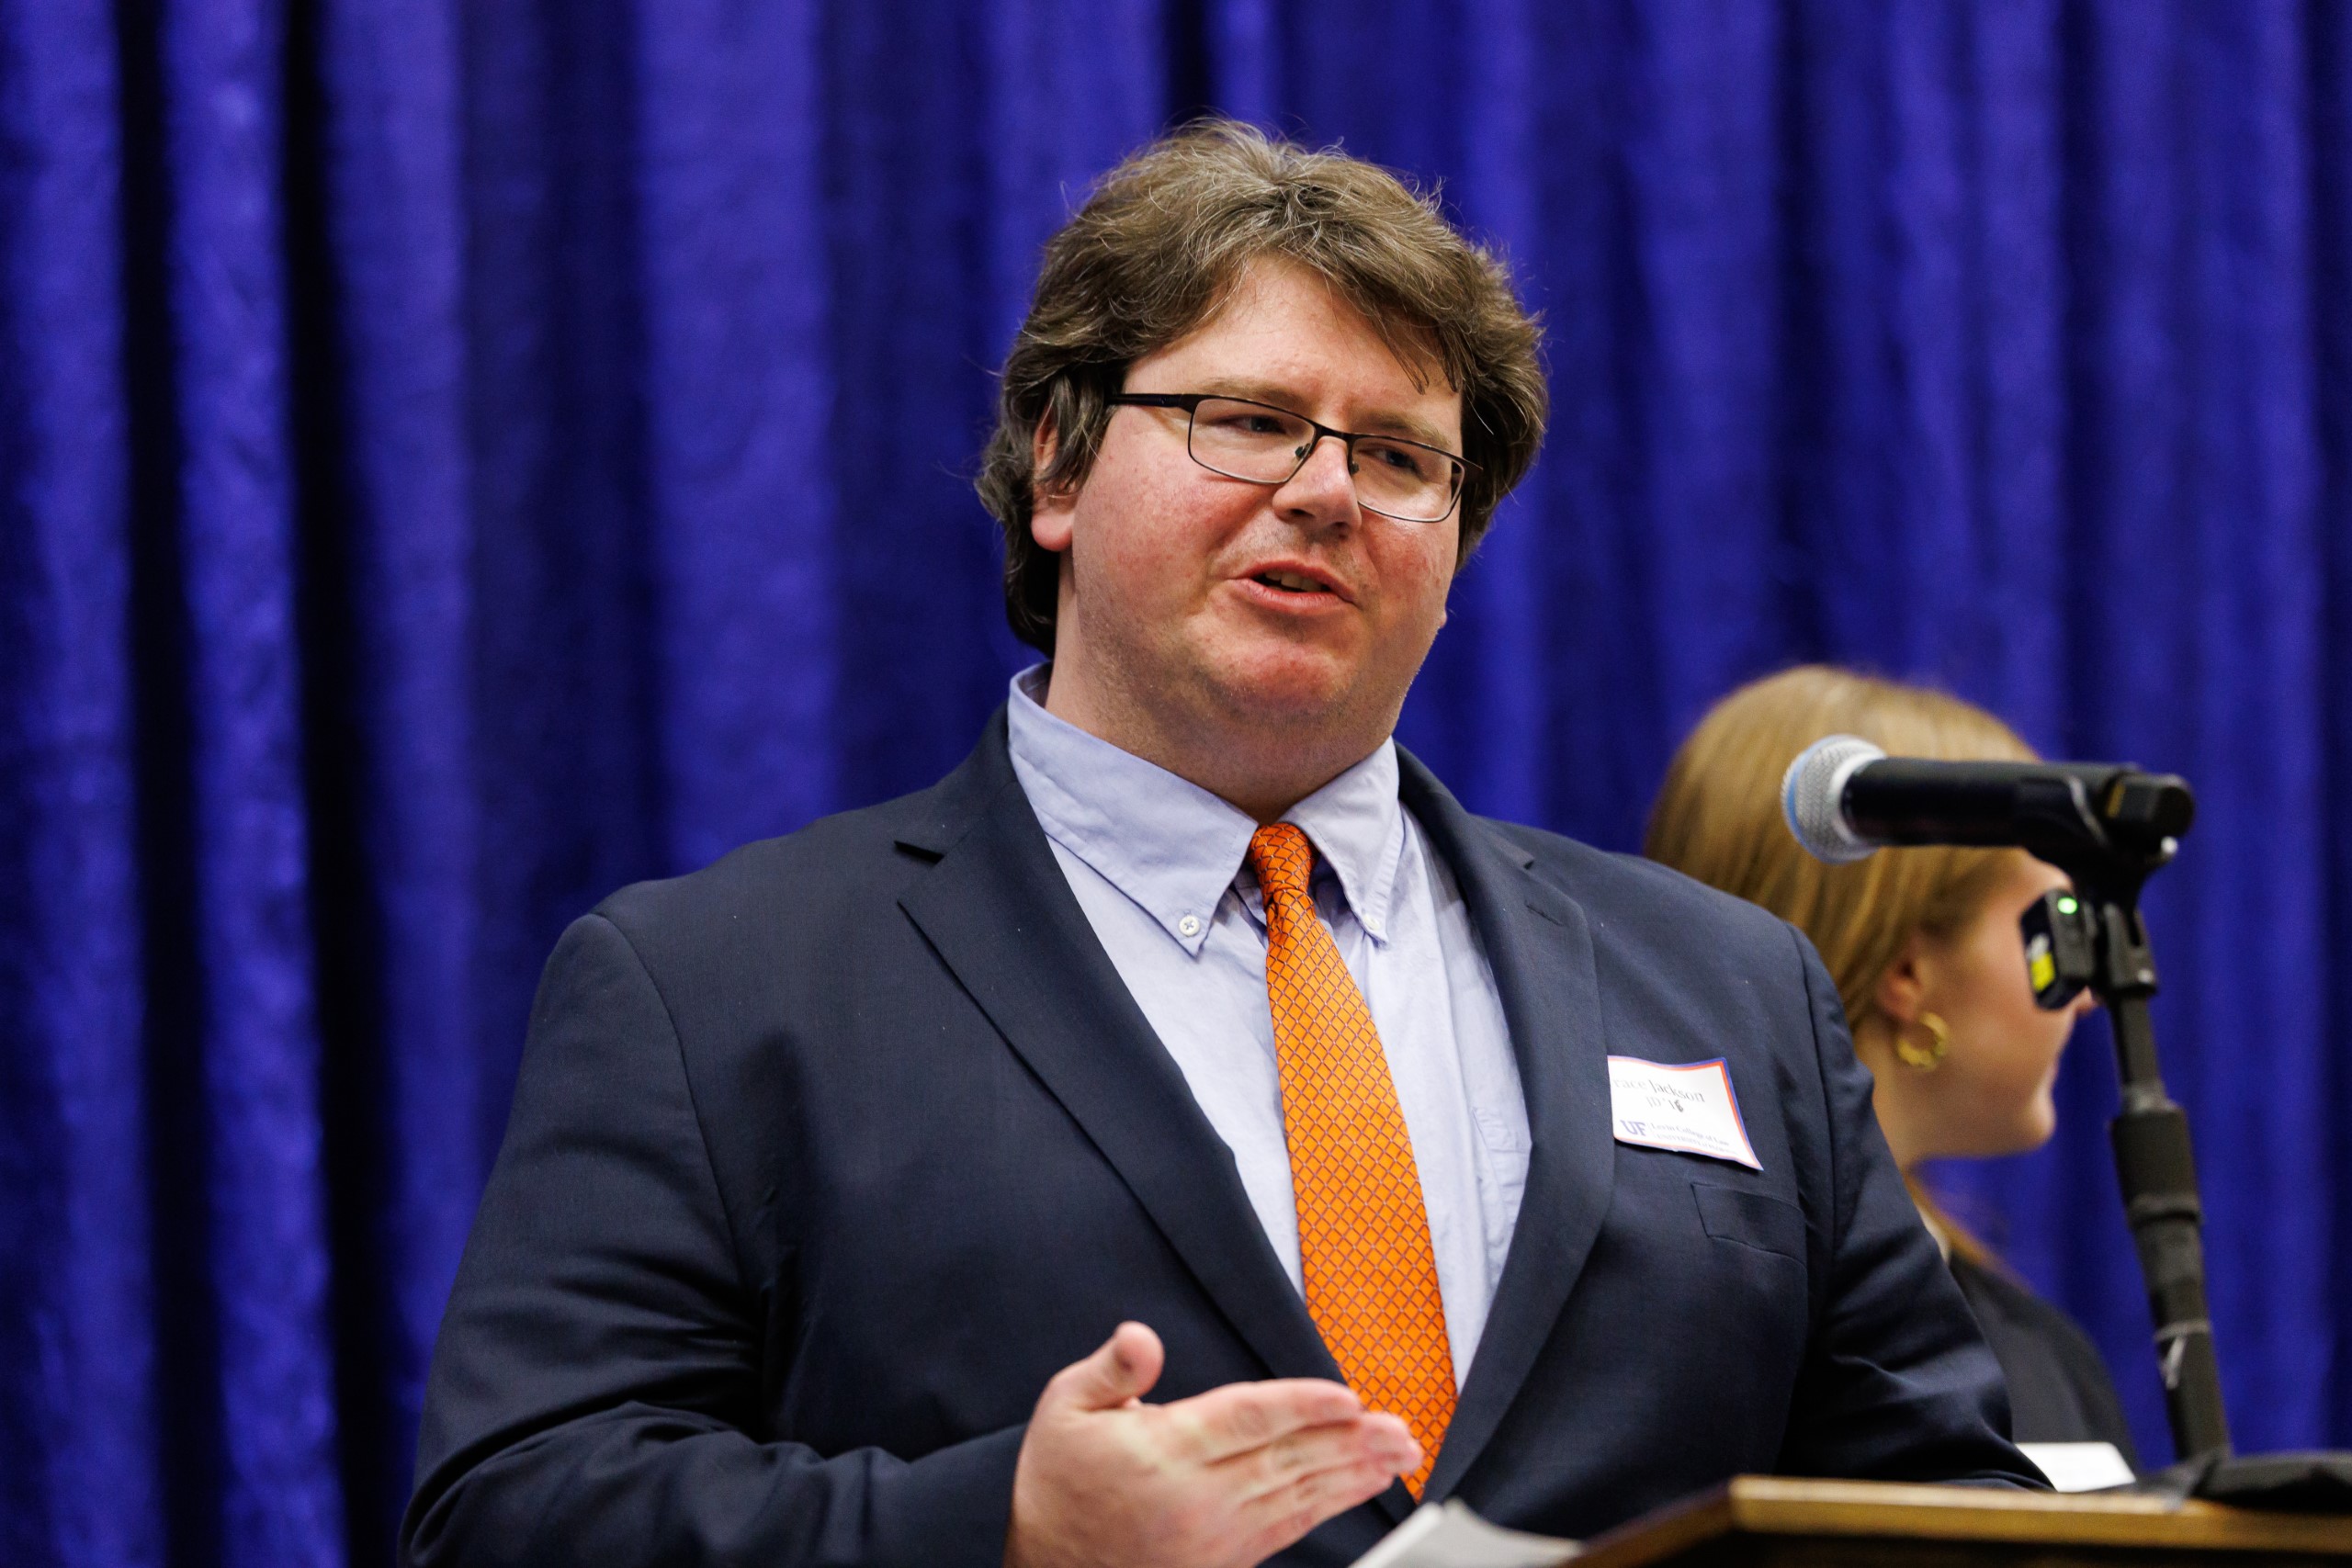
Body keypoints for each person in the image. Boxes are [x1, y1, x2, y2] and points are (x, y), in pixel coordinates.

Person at [401, 124, 2040, 1568]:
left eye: (1400, 456)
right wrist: (1002, 1530)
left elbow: (1947, 1513)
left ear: (1455, 556)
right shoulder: (716, 989)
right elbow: (518, 1508)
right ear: (1056, 465)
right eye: (1248, 419)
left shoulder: (1727, 988)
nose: (1327, 492)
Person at [1645, 664, 2140, 1469]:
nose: (2086, 995)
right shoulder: (1662, 1331)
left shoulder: (2048, 1359)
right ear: (1909, 970)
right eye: (2052, 926)